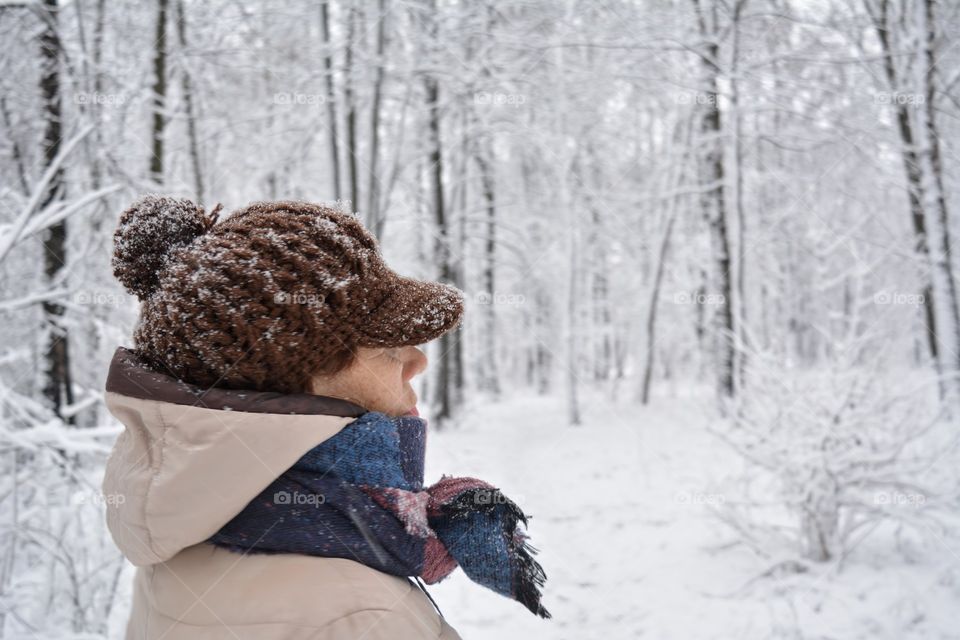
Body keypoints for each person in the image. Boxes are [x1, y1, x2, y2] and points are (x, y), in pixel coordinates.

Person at [101, 197, 548, 640]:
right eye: (389, 348)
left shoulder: (189, 531)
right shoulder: (360, 613)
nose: (418, 362)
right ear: (299, 385)